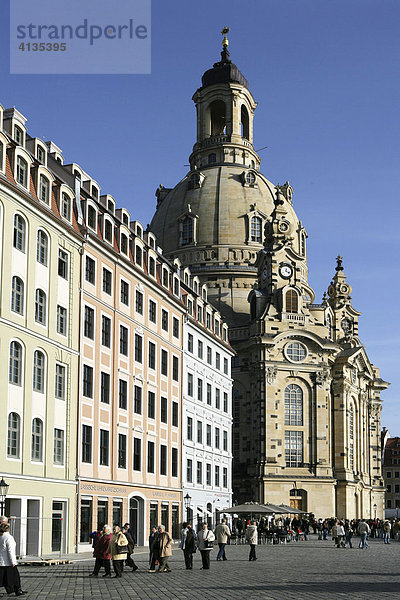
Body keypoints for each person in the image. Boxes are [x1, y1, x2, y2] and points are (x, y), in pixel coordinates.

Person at [0, 523, 26, 596]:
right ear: (8, 529)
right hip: (8, 562)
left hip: (1, 562)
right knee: (15, 578)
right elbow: (10, 551)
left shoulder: (1, 537)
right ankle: (17, 590)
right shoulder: (9, 537)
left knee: (2, 578)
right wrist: (13, 561)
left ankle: (13, 590)